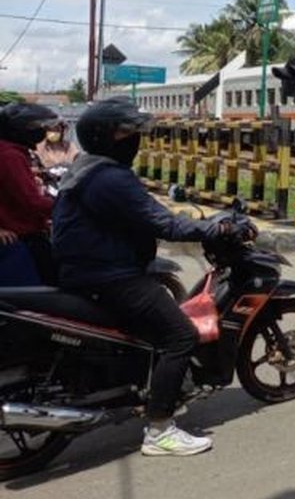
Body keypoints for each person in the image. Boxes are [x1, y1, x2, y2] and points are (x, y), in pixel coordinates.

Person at [53, 97, 250, 457]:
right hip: (109, 275)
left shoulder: (88, 168)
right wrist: (214, 228)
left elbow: (145, 215)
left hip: (88, 269)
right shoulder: (108, 178)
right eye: (128, 132)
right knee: (180, 335)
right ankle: (160, 429)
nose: (135, 139)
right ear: (106, 137)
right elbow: (164, 223)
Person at [0, 102, 58, 285]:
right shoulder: (11, 156)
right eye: (37, 127)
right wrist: (68, 206)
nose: (42, 132)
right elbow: (31, 201)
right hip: (20, 236)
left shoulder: (12, 153)